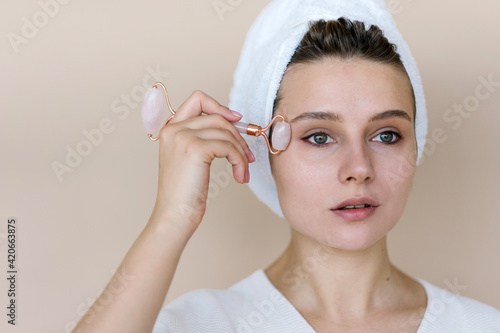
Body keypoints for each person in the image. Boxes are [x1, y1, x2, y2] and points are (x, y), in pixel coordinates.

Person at [74, 1, 500, 332]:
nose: (359, 168)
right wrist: (171, 219)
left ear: (415, 144)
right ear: (262, 149)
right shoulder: (201, 323)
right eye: (319, 136)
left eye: (386, 135)